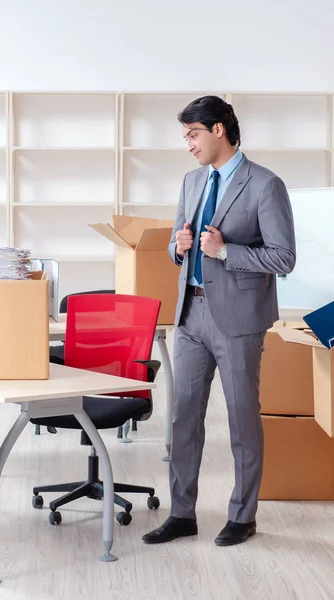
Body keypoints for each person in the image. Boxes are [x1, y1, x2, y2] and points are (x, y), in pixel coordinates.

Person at [142, 95, 296, 546]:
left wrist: (226, 250)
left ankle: (243, 515)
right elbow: (175, 245)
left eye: (193, 134)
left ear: (218, 131)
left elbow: (284, 257)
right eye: (185, 136)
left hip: (239, 319)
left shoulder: (265, 185)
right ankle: (182, 513)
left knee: (241, 419)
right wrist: (180, 245)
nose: (188, 144)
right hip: (190, 315)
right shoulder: (192, 181)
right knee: (183, 419)